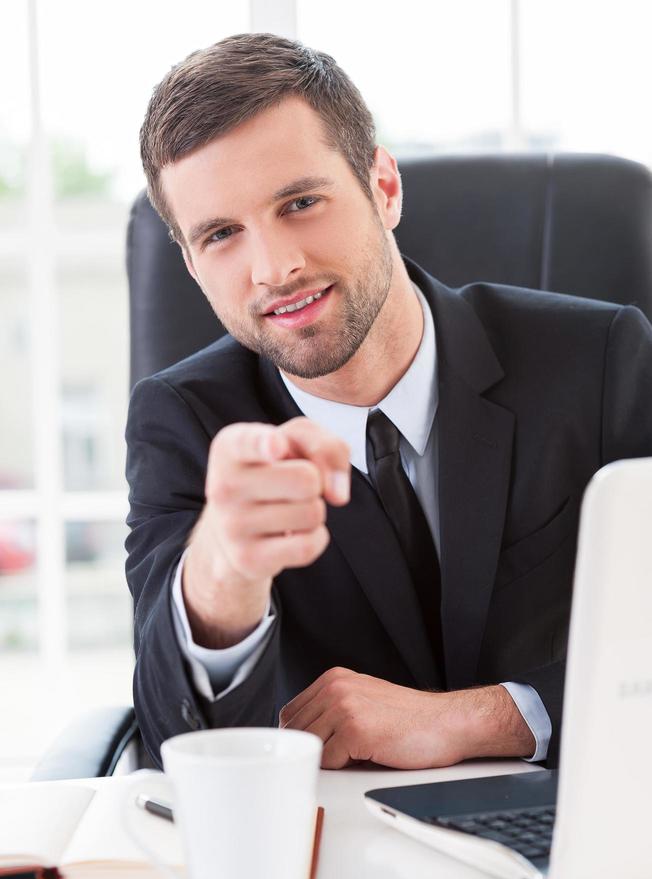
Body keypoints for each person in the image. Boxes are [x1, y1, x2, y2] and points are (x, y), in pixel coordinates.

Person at [126, 33, 652, 771]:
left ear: (384, 188)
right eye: (221, 235)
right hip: (344, 863)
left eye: (301, 202)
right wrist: (220, 574)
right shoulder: (184, 421)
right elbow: (172, 745)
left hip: (573, 835)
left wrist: (482, 719)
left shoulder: (599, 362)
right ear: (190, 261)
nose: (275, 267)